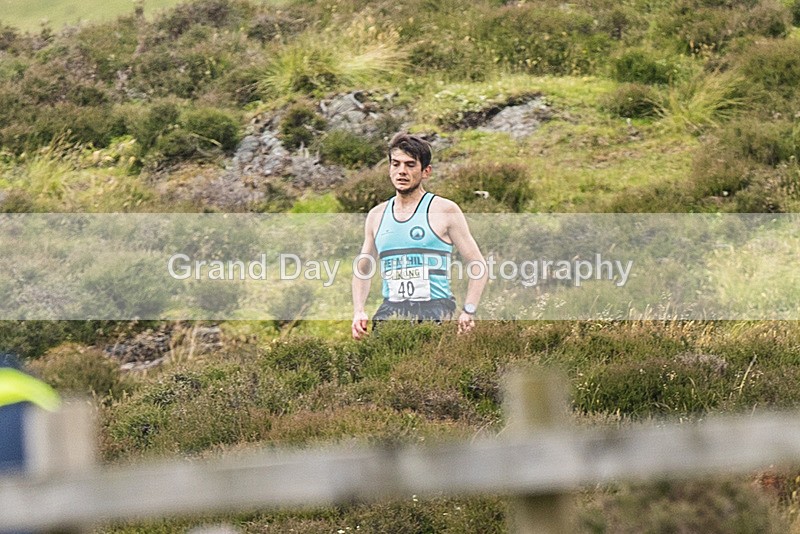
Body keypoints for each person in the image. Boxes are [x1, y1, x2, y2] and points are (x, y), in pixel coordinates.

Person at [352, 132, 488, 340]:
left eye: (410, 165)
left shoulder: (445, 210)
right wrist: (359, 311)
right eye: (396, 164)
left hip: (435, 310)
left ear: (426, 171)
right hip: (391, 310)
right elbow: (363, 269)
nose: (402, 171)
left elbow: (478, 265)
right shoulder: (376, 215)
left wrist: (468, 311)